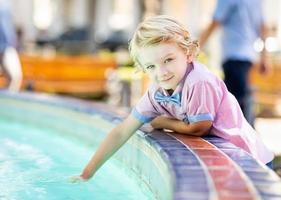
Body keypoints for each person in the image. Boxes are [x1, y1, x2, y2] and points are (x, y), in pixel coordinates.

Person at [70, 15, 273, 182]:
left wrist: (162, 122)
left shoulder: (199, 82)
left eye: (168, 60)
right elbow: (122, 131)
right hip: (225, 160)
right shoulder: (156, 91)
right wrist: (87, 173)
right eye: (151, 66)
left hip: (249, 159)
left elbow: (199, 127)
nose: (162, 72)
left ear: (189, 53)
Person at [199, 0, 268, 127]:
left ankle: (242, 140)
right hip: (248, 56)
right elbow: (262, 27)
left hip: (233, 55)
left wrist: (196, 47)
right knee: (241, 100)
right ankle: (246, 137)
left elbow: (215, 22)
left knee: (233, 104)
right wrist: (264, 56)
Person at [0, 0, 22, 91]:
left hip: (6, 47)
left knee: (15, 77)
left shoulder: (5, 5)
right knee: (14, 77)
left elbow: (8, 28)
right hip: (5, 47)